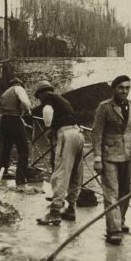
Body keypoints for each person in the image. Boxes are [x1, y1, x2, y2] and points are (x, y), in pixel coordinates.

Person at [92, 75, 131, 245]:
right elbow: (96, 133)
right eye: (121, 87)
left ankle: (120, 221)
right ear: (114, 88)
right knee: (111, 192)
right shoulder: (104, 107)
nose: (124, 91)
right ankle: (113, 230)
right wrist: (97, 157)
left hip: (128, 154)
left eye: (127, 87)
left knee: (125, 191)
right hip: (109, 155)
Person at [35, 81, 84, 226]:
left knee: (61, 173)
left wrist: (48, 126)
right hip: (79, 134)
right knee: (76, 173)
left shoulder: (48, 100)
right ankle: (71, 209)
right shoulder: (63, 101)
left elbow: (48, 113)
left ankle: (55, 213)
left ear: (42, 94)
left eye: (39, 97)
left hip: (66, 135)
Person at [0, 77, 32, 187]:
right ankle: (20, 178)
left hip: (4, 120)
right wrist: (28, 111)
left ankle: (2, 172)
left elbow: (4, 111)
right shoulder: (18, 88)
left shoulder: (4, 93)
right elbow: (25, 102)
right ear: (19, 83)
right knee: (23, 150)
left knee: (6, 147)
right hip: (14, 120)